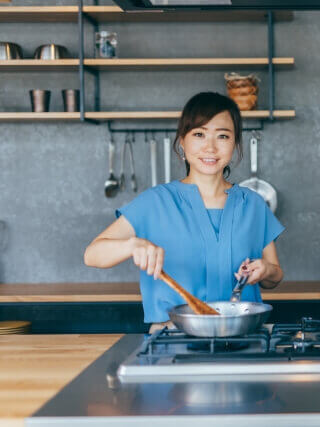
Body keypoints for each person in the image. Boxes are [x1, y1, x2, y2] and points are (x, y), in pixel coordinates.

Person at [84, 92, 285, 332]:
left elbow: (275, 276)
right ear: (182, 141)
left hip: (244, 335)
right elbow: (92, 255)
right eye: (199, 134)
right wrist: (131, 245)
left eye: (222, 136)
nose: (210, 147)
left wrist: (265, 270)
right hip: (172, 338)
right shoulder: (155, 202)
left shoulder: (253, 204)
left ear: (235, 144)